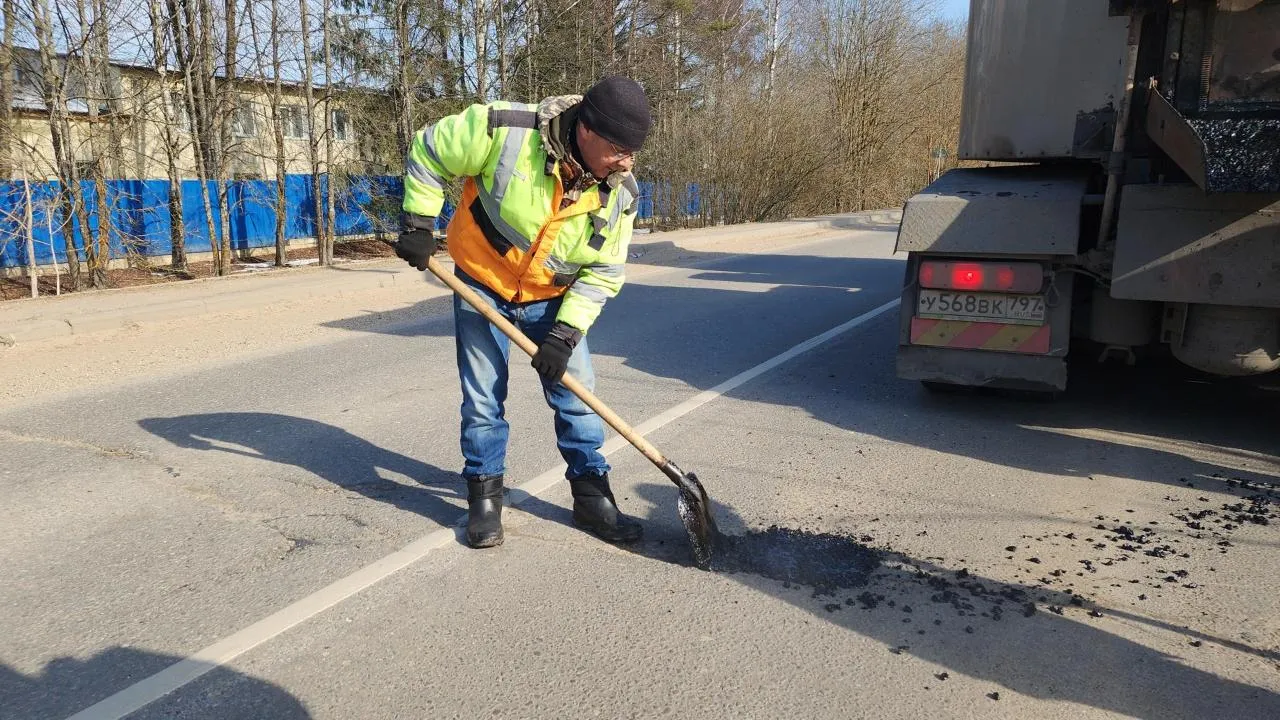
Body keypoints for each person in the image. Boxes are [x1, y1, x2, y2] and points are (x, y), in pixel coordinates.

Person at [392, 76, 651, 549]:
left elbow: (604, 272)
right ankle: (485, 498)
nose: (626, 161)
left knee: (576, 396)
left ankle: (592, 495)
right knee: (483, 398)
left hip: (552, 298)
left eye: (633, 151)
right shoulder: (505, 130)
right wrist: (418, 221)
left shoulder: (621, 194)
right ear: (587, 129)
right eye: (618, 148)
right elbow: (430, 149)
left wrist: (565, 334)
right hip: (481, 283)